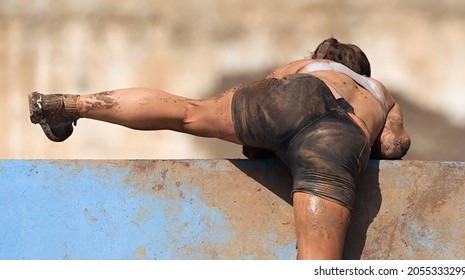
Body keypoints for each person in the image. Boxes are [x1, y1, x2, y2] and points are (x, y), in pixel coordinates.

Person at [28, 38, 411, 259]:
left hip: (296, 94)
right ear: (365, 70)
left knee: (187, 112)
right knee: (317, 267)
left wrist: (265, 141)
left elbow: (270, 92)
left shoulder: (306, 65)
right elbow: (393, 145)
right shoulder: (380, 91)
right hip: (339, 136)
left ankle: (70, 105)